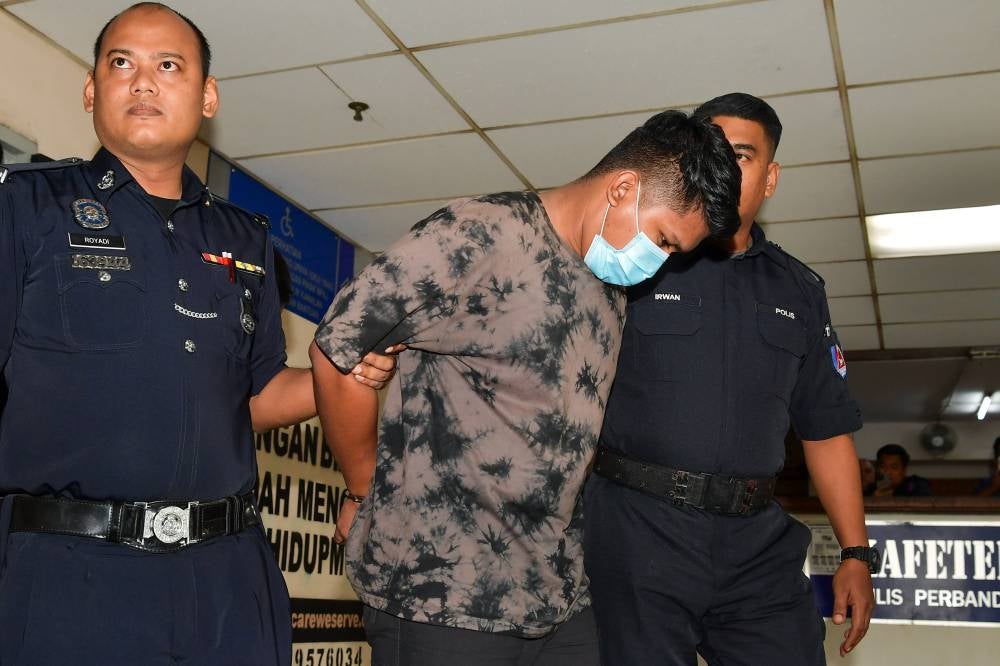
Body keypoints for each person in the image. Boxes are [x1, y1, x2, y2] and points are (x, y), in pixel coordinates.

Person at [0, 4, 392, 664]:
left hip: (228, 581)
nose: (143, 81)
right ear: (92, 89)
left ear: (207, 97)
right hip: (71, 577)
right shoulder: (24, 206)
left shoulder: (247, 241)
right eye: (121, 63)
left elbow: (257, 397)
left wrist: (343, 367)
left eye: (169, 66)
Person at [309, 110, 742, 665]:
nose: (659, 263)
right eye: (663, 239)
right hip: (443, 587)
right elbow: (337, 349)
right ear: (623, 187)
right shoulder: (482, 233)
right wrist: (362, 490)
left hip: (555, 594)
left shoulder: (610, 290)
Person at [584, 93, 877, 666]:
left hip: (755, 545)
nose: (721, 165)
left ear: (770, 178)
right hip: (637, 531)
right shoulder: (638, 263)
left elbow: (826, 429)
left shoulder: (799, 291)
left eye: (740, 155)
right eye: (709, 149)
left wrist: (856, 554)